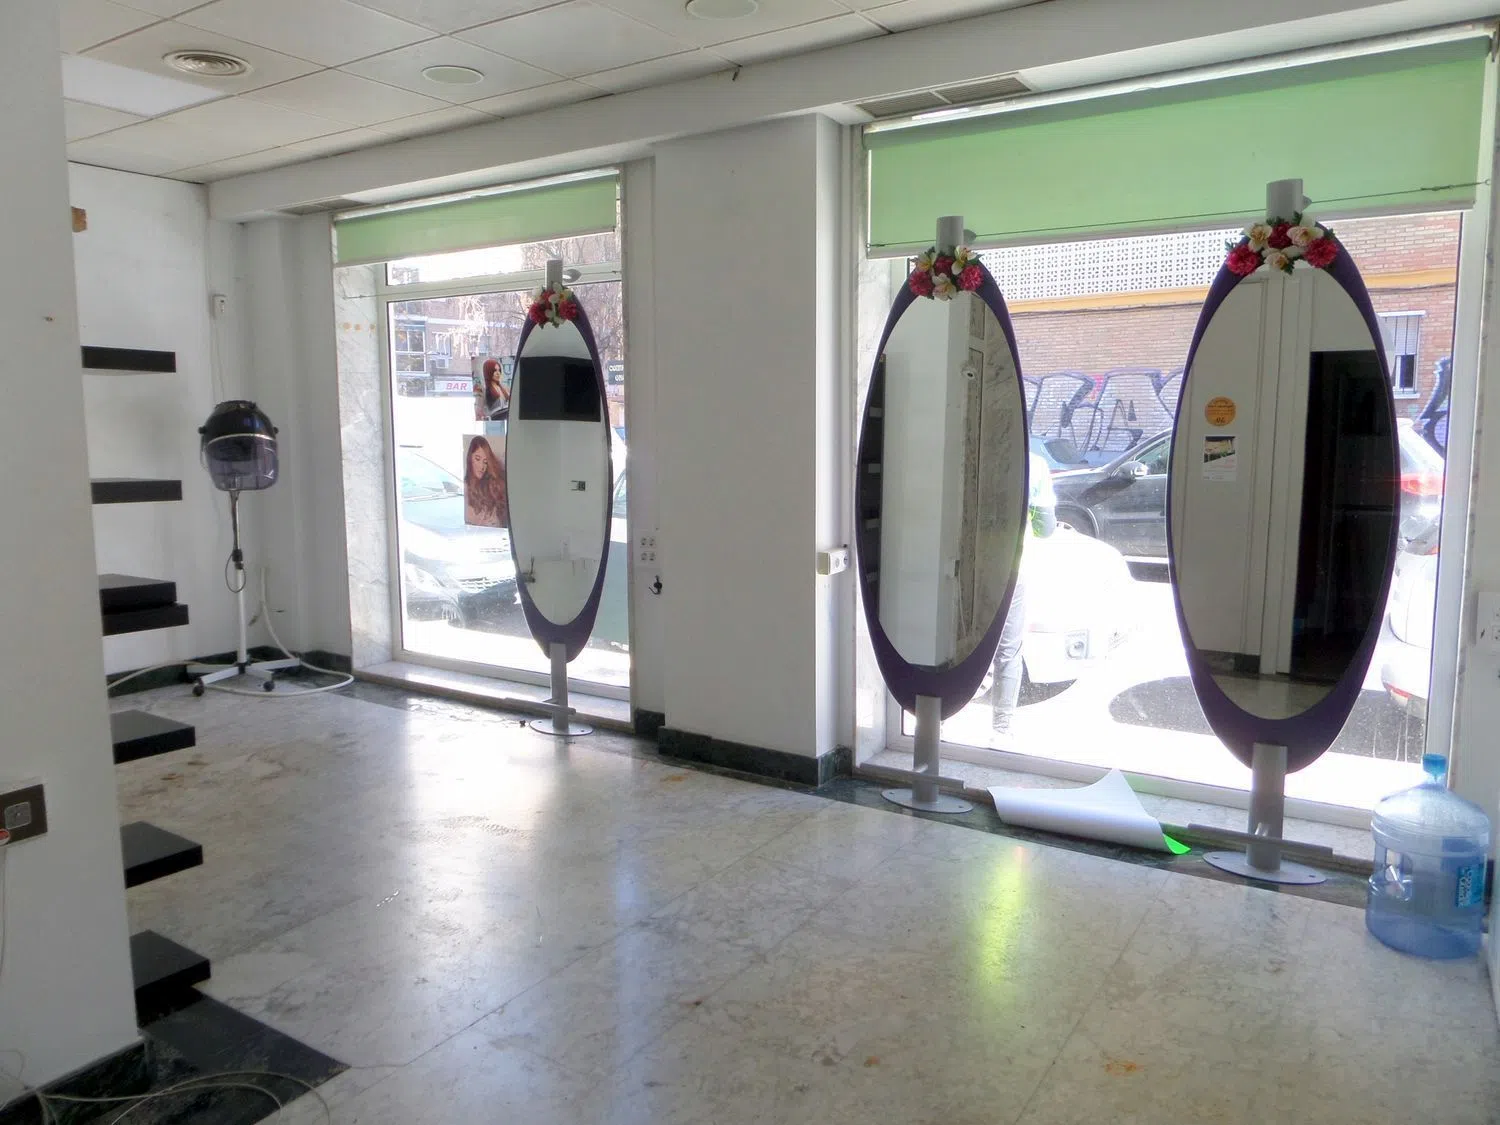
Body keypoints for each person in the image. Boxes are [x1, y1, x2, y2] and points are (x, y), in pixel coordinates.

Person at [992, 452, 1056, 743]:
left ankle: (939, 719)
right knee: (1008, 649)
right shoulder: (1034, 464)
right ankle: (1001, 730)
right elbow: (1045, 528)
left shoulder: (968, 450)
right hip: (1012, 565)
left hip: (969, 563)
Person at [464, 435, 508, 527]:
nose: (482, 467)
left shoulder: (492, 485)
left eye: (485, 462)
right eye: (477, 459)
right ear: (470, 458)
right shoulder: (464, 487)